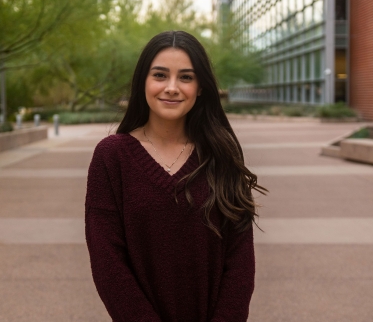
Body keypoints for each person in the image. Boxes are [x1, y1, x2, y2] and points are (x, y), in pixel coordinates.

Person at [85, 30, 266, 322]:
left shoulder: (220, 154)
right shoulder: (112, 156)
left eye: (185, 77)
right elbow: (108, 262)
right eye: (159, 75)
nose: (172, 87)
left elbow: (240, 260)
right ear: (142, 82)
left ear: (201, 87)